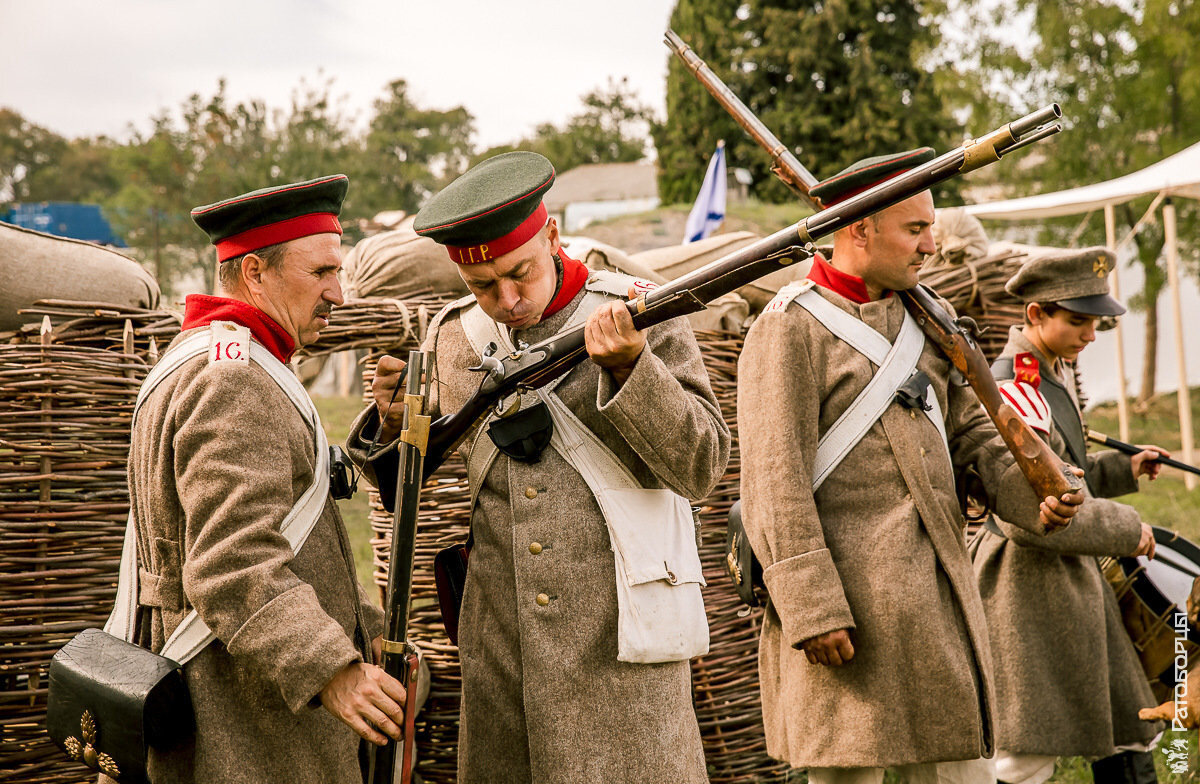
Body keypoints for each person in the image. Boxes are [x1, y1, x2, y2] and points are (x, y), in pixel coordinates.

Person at [347, 151, 731, 783]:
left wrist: (633, 371)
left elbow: (703, 465)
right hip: (504, 653)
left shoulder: (642, 311)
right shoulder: (456, 338)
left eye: (519, 272)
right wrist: (391, 424)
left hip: (622, 645)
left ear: (551, 236)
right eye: (482, 286)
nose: (507, 299)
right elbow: (400, 489)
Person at [736, 149, 1083, 784]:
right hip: (847, 613)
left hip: (935, 605)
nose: (930, 245)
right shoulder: (788, 329)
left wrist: (1032, 493)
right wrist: (813, 609)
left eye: (931, 226)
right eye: (915, 229)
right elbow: (772, 483)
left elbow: (974, 433)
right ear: (858, 229)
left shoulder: (928, 317)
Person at [116, 175, 408, 784]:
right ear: (255, 274)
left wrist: (365, 634)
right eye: (321, 273)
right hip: (243, 722)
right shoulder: (235, 380)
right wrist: (333, 669)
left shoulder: (212, 357)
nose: (339, 293)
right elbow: (233, 561)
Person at [972, 248, 1166, 784]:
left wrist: (1122, 469)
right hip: (1025, 588)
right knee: (1026, 753)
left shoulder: (1048, 372)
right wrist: (1130, 529)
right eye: (1078, 321)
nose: (1090, 335)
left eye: (1095, 323)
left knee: (1127, 729)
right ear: (1036, 315)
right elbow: (1031, 505)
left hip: (1066, 580)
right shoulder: (1017, 386)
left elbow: (1066, 475)